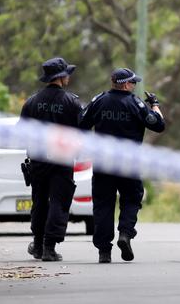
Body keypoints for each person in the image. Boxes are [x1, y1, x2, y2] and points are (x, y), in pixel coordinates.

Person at [79, 68, 165, 263]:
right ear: (126, 84)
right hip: (129, 163)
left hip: (102, 163)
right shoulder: (136, 103)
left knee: (103, 205)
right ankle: (125, 234)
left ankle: (104, 252)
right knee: (132, 198)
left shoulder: (99, 100)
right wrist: (155, 105)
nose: (134, 86)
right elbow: (158, 125)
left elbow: (81, 123)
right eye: (133, 83)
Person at [19, 57, 83, 261]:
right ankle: (49, 247)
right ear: (62, 77)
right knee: (59, 201)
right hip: (62, 159)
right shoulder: (72, 101)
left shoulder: (32, 101)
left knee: (39, 201)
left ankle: (37, 245)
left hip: (38, 158)